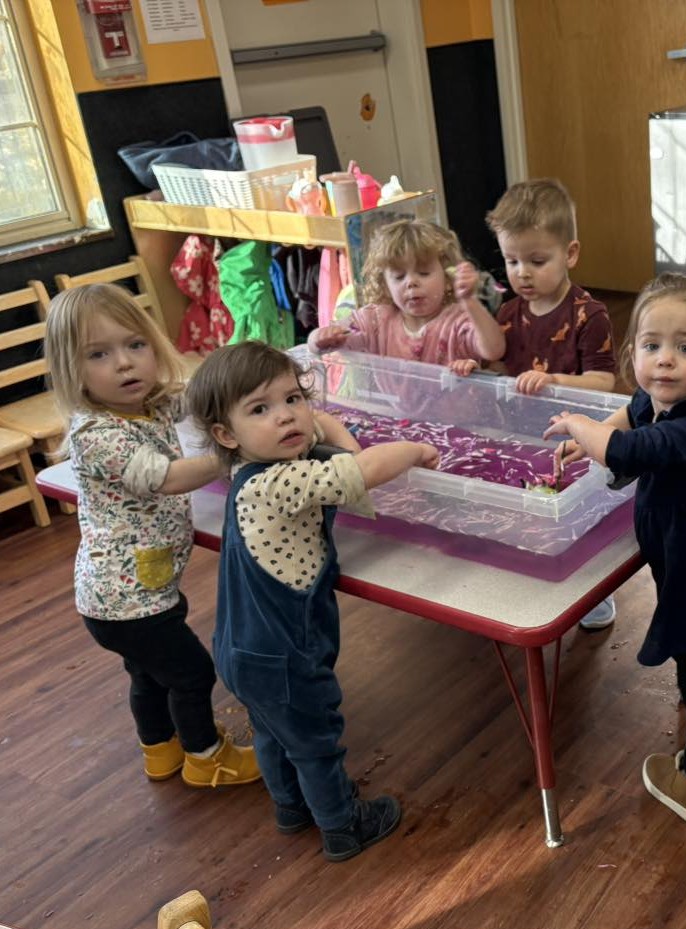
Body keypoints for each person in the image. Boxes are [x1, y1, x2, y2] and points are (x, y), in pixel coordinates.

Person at [185, 341, 440, 862]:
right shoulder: (282, 480)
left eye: (293, 398)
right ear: (226, 434)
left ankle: (290, 808)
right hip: (284, 654)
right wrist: (413, 451)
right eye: (261, 409)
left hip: (240, 649)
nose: (285, 416)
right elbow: (361, 472)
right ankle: (343, 825)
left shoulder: (246, 472)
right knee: (315, 741)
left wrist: (316, 421)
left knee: (273, 734)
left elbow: (325, 435)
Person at [543, 273, 686, 825]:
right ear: (633, 351)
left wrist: (577, 423)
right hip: (679, 550)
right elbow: (630, 414)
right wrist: (587, 435)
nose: (664, 361)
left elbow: (627, 446)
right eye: (652, 345)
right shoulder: (656, 397)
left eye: (684, 348)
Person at [44, 283, 261, 789]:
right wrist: (239, 450)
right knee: (192, 674)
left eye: (135, 345)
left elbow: (199, 399)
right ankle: (208, 759)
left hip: (137, 591)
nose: (124, 364)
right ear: (70, 370)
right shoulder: (96, 434)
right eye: (99, 354)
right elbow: (164, 476)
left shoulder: (151, 404)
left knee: (147, 676)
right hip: (125, 602)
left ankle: (159, 751)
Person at [484, 177, 620, 630]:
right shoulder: (507, 315)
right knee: (529, 510)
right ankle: (533, 579)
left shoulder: (588, 314)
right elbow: (501, 372)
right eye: (511, 260)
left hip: (576, 436)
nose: (522, 272)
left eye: (537, 261)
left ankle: (589, 594)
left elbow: (604, 381)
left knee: (578, 517)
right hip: (522, 433)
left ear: (571, 254)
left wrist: (554, 380)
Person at [307, 219, 505, 372]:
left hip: (458, 421)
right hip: (400, 421)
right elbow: (321, 346)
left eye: (424, 273)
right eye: (399, 276)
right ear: (385, 285)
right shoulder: (375, 321)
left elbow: (494, 350)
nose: (411, 282)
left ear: (446, 278)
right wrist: (318, 338)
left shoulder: (458, 320)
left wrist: (470, 302)